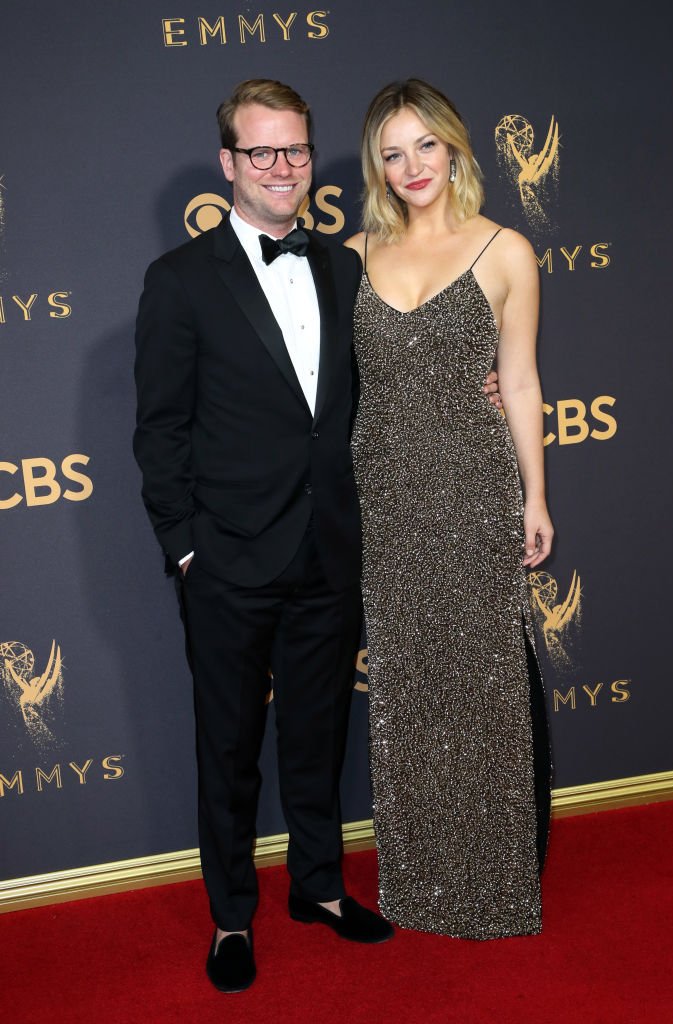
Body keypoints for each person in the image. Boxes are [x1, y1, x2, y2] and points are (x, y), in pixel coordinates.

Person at [133, 78, 396, 995]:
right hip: (229, 557)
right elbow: (160, 430)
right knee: (229, 746)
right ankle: (232, 916)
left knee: (319, 735)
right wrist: (186, 545)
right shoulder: (178, 280)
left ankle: (317, 889)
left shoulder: (343, 267)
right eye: (262, 152)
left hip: (328, 546)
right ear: (228, 165)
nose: (283, 168)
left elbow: (368, 400)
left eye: (295, 150)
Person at [345, 79, 554, 940]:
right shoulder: (349, 253)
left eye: (423, 145)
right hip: (382, 496)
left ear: (454, 146)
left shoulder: (505, 250)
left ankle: (498, 877)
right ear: (376, 166)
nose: (410, 167)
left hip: (472, 489)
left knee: (485, 686)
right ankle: (422, 879)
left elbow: (519, 380)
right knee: (406, 690)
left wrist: (535, 495)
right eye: (392, 153)